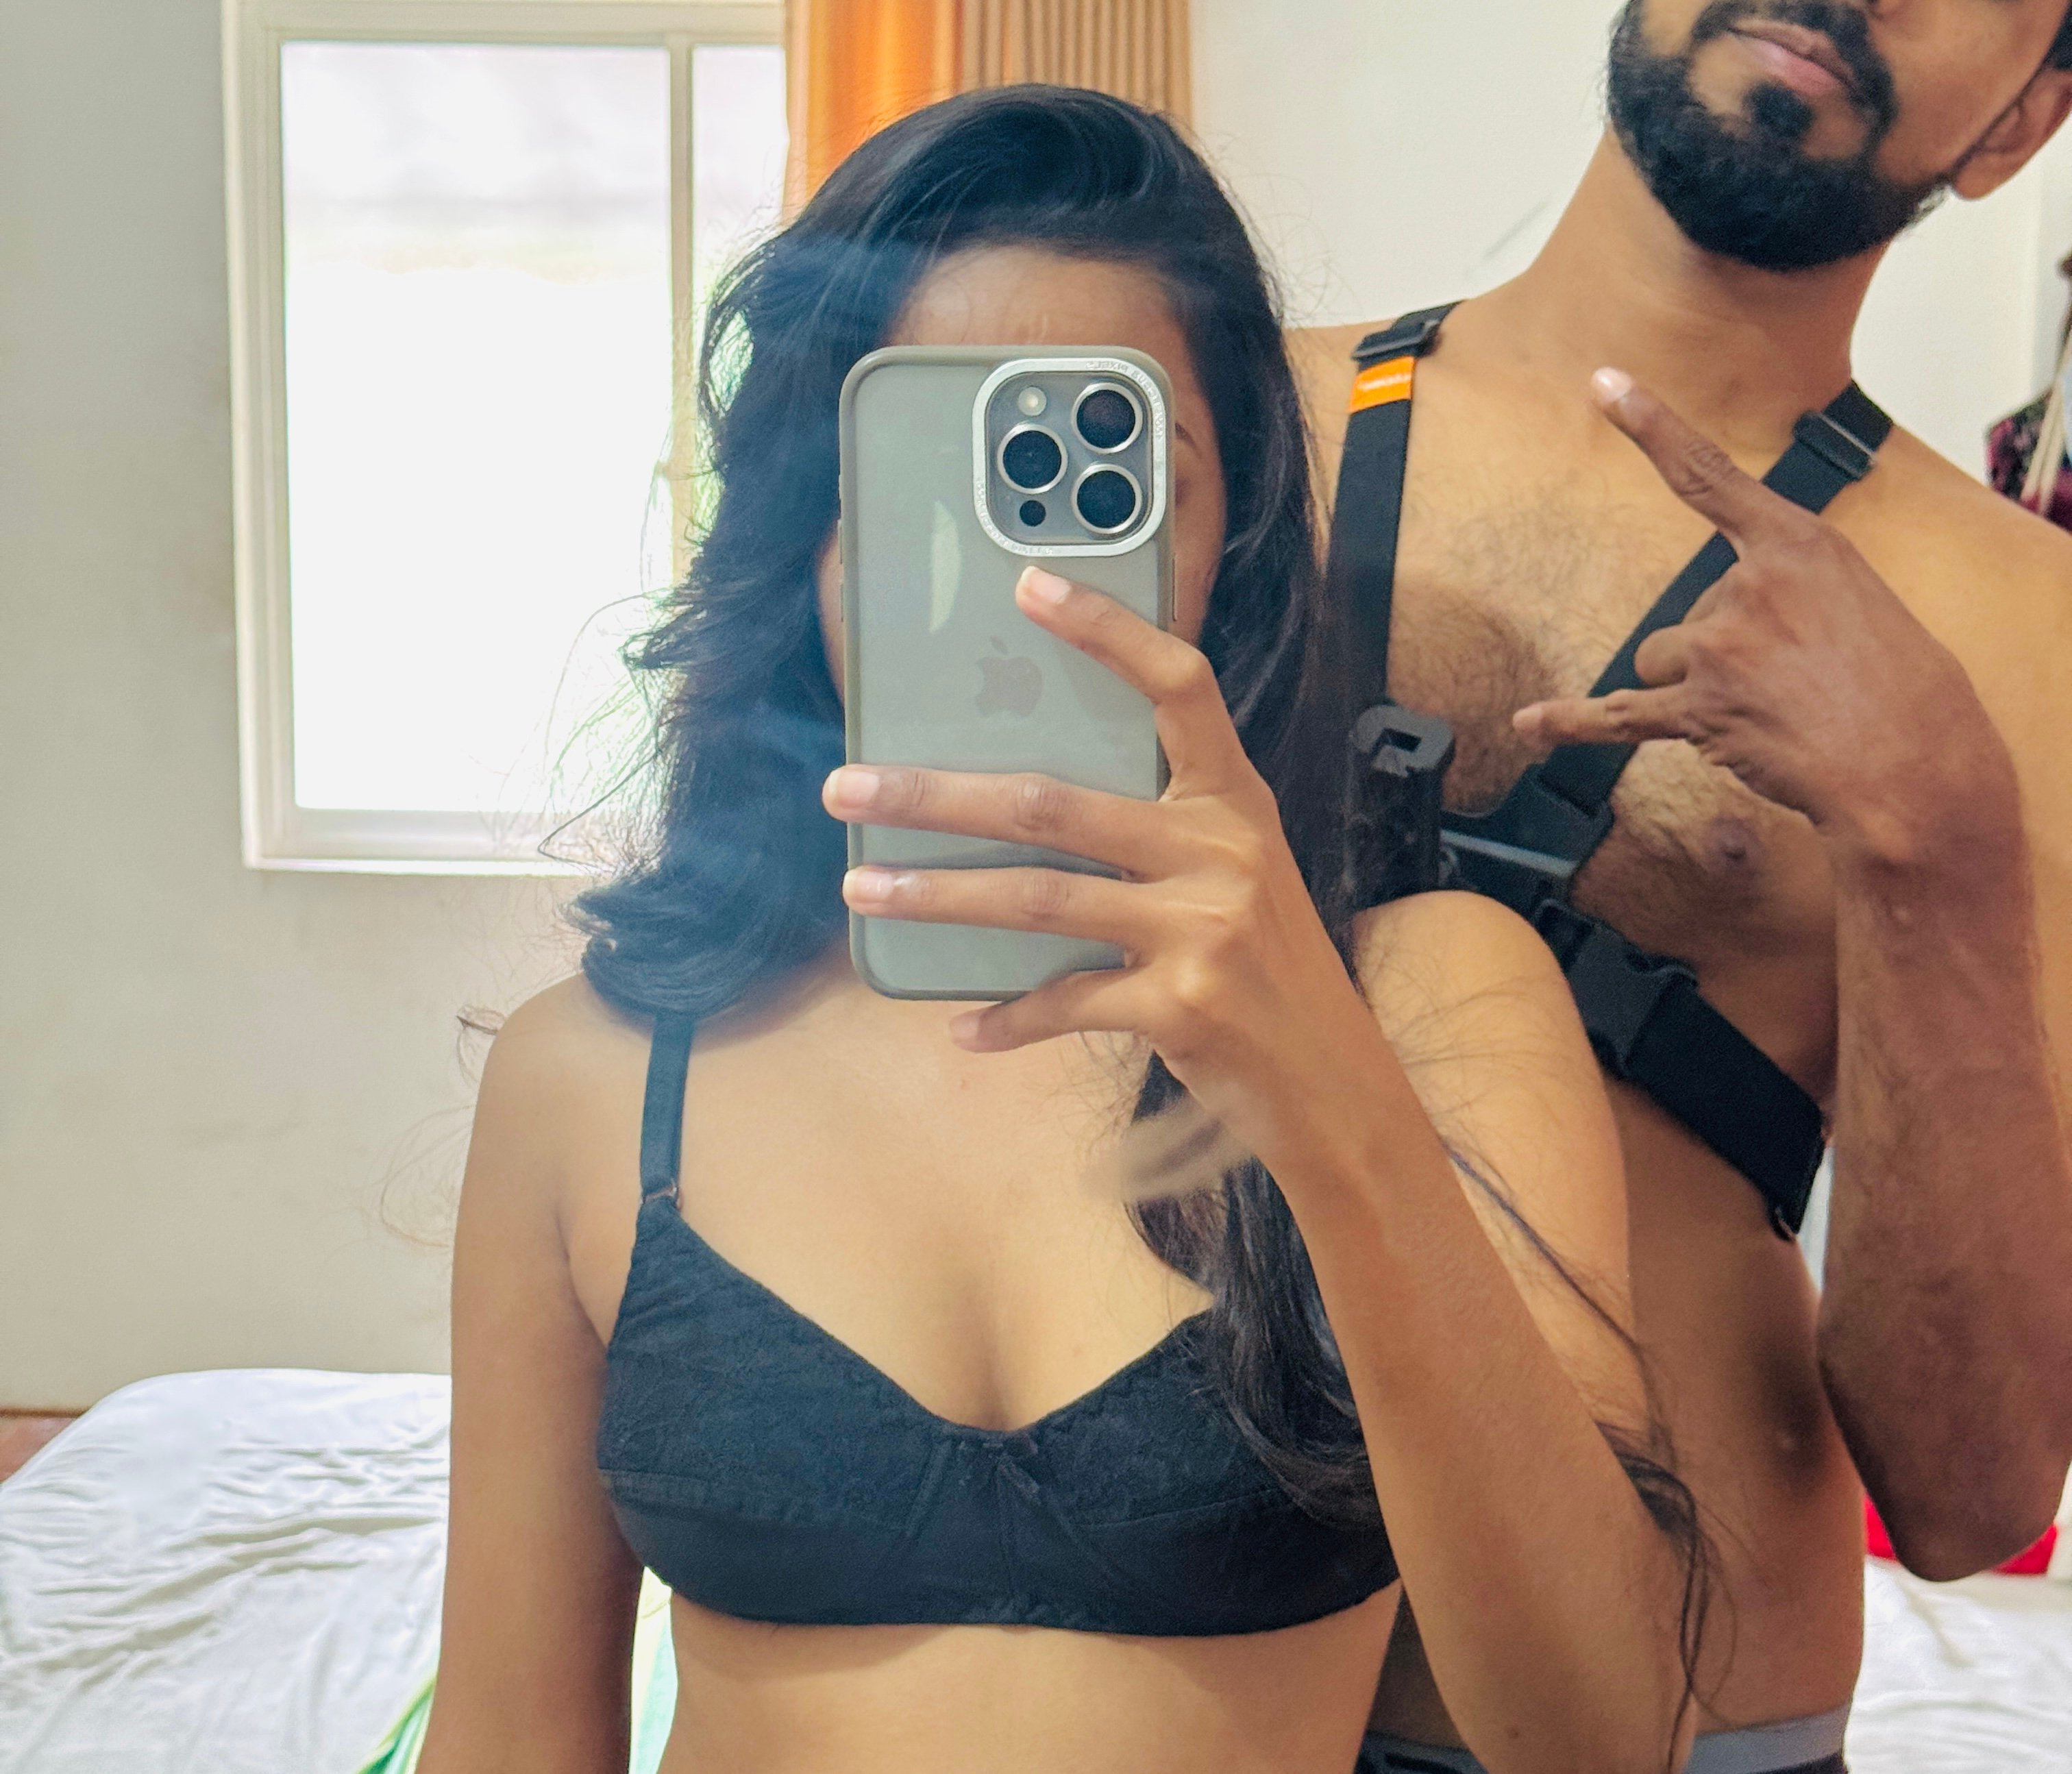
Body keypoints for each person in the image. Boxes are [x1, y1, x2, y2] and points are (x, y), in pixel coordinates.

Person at [417, 88, 1705, 1774]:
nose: (1014, 582)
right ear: (806, 535)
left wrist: (1327, 1093)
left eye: (1095, 484)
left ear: (1233, 543)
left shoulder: (1434, 999)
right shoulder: (590, 1072)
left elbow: (1609, 1735)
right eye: (913, 481)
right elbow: (510, 1735)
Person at [1292, 4, 2072, 1771]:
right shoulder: (1226, 422)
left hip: (1690, 1718)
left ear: (2022, 124)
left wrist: (1934, 838)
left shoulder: (2035, 638)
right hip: (1169, 1679)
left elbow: (1973, 1490)